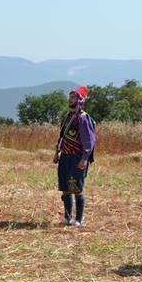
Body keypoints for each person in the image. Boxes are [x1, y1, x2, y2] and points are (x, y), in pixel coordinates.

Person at [53, 86, 96, 227]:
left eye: (73, 97)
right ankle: (67, 217)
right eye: (70, 97)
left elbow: (89, 141)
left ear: (80, 100)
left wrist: (84, 158)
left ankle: (78, 219)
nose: (70, 99)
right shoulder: (68, 117)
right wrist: (57, 152)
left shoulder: (84, 119)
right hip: (65, 157)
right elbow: (62, 137)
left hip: (77, 158)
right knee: (65, 188)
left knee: (76, 188)